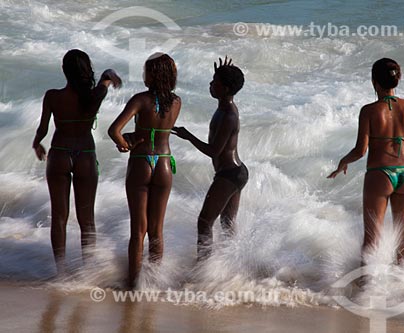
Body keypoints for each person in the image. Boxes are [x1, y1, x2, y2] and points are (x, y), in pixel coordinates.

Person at [328, 58, 404, 263]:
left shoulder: (369, 111)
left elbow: (360, 150)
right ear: (397, 79)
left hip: (380, 175)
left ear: (374, 81)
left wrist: (343, 162)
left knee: (372, 240)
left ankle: (367, 290)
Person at [32, 49, 122, 275]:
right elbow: (107, 78)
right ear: (86, 71)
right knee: (87, 219)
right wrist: (108, 76)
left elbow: (43, 128)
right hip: (85, 154)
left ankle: (61, 271)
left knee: (59, 217)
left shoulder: (52, 96)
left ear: (64, 71)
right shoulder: (94, 96)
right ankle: (88, 273)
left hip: (60, 153)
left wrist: (36, 143)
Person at [108, 53, 181, 289]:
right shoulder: (176, 101)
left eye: (146, 71)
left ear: (154, 74)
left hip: (141, 162)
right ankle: (153, 282)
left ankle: (132, 284)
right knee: (156, 230)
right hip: (164, 162)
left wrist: (125, 143)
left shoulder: (140, 99)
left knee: (138, 229)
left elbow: (114, 130)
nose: (143, 75)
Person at [173, 56, 248, 261]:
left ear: (225, 88)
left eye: (215, 82)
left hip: (230, 174)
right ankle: (230, 266)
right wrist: (224, 72)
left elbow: (214, 151)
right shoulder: (223, 108)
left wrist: (188, 136)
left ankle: (203, 266)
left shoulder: (229, 115)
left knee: (205, 221)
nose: (210, 84)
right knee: (227, 224)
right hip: (235, 172)